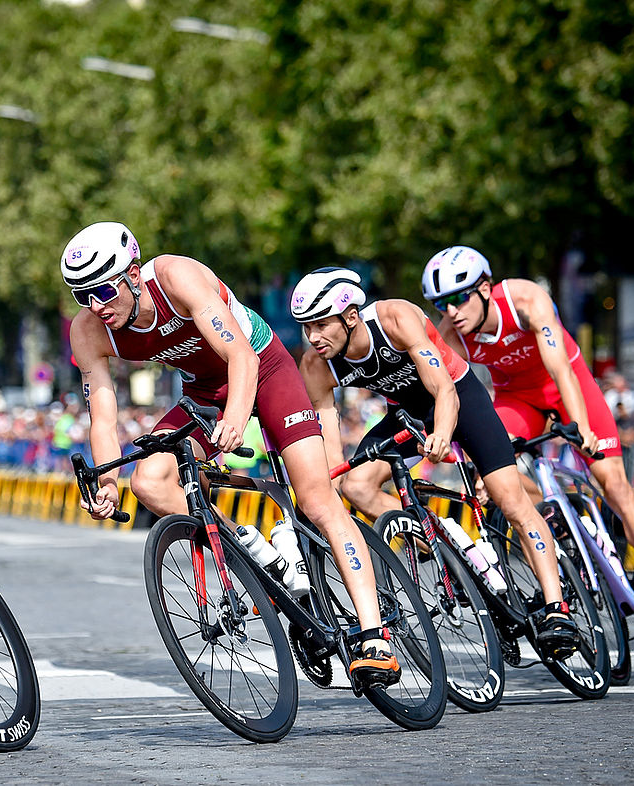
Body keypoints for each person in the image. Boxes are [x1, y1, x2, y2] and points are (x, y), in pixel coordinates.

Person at [62, 221, 399, 684]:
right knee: (148, 481)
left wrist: (237, 420)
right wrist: (106, 483)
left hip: (265, 371)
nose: (96, 306)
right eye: (83, 296)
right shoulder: (90, 331)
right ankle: (255, 548)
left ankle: (374, 636)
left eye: (103, 290)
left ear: (134, 274)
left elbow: (242, 356)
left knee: (318, 500)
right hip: (203, 392)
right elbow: (103, 416)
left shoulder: (177, 278)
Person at [290, 267, 580, 655]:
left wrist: (442, 434)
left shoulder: (395, 318)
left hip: (458, 397)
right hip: (409, 412)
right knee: (355, 484)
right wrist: (328, 482)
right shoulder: (315, 364)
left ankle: (555, 608)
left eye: (321, 324)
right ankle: (437, 535)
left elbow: (444, 388)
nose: (313, 337)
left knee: (509, 499)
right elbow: (328, 433)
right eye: (307, 327)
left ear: (351, 315)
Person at [421, 245, 634, 637]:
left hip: (566, 386)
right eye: (441, 304)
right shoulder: (450, 335)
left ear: (484, 287)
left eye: (460, 298)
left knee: (613, 483)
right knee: (495, 483)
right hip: (516, 399)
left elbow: (560, 367)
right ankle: (550, 520)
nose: (452, 312)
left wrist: (581, 428)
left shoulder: (525, 299)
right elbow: (449, 392)